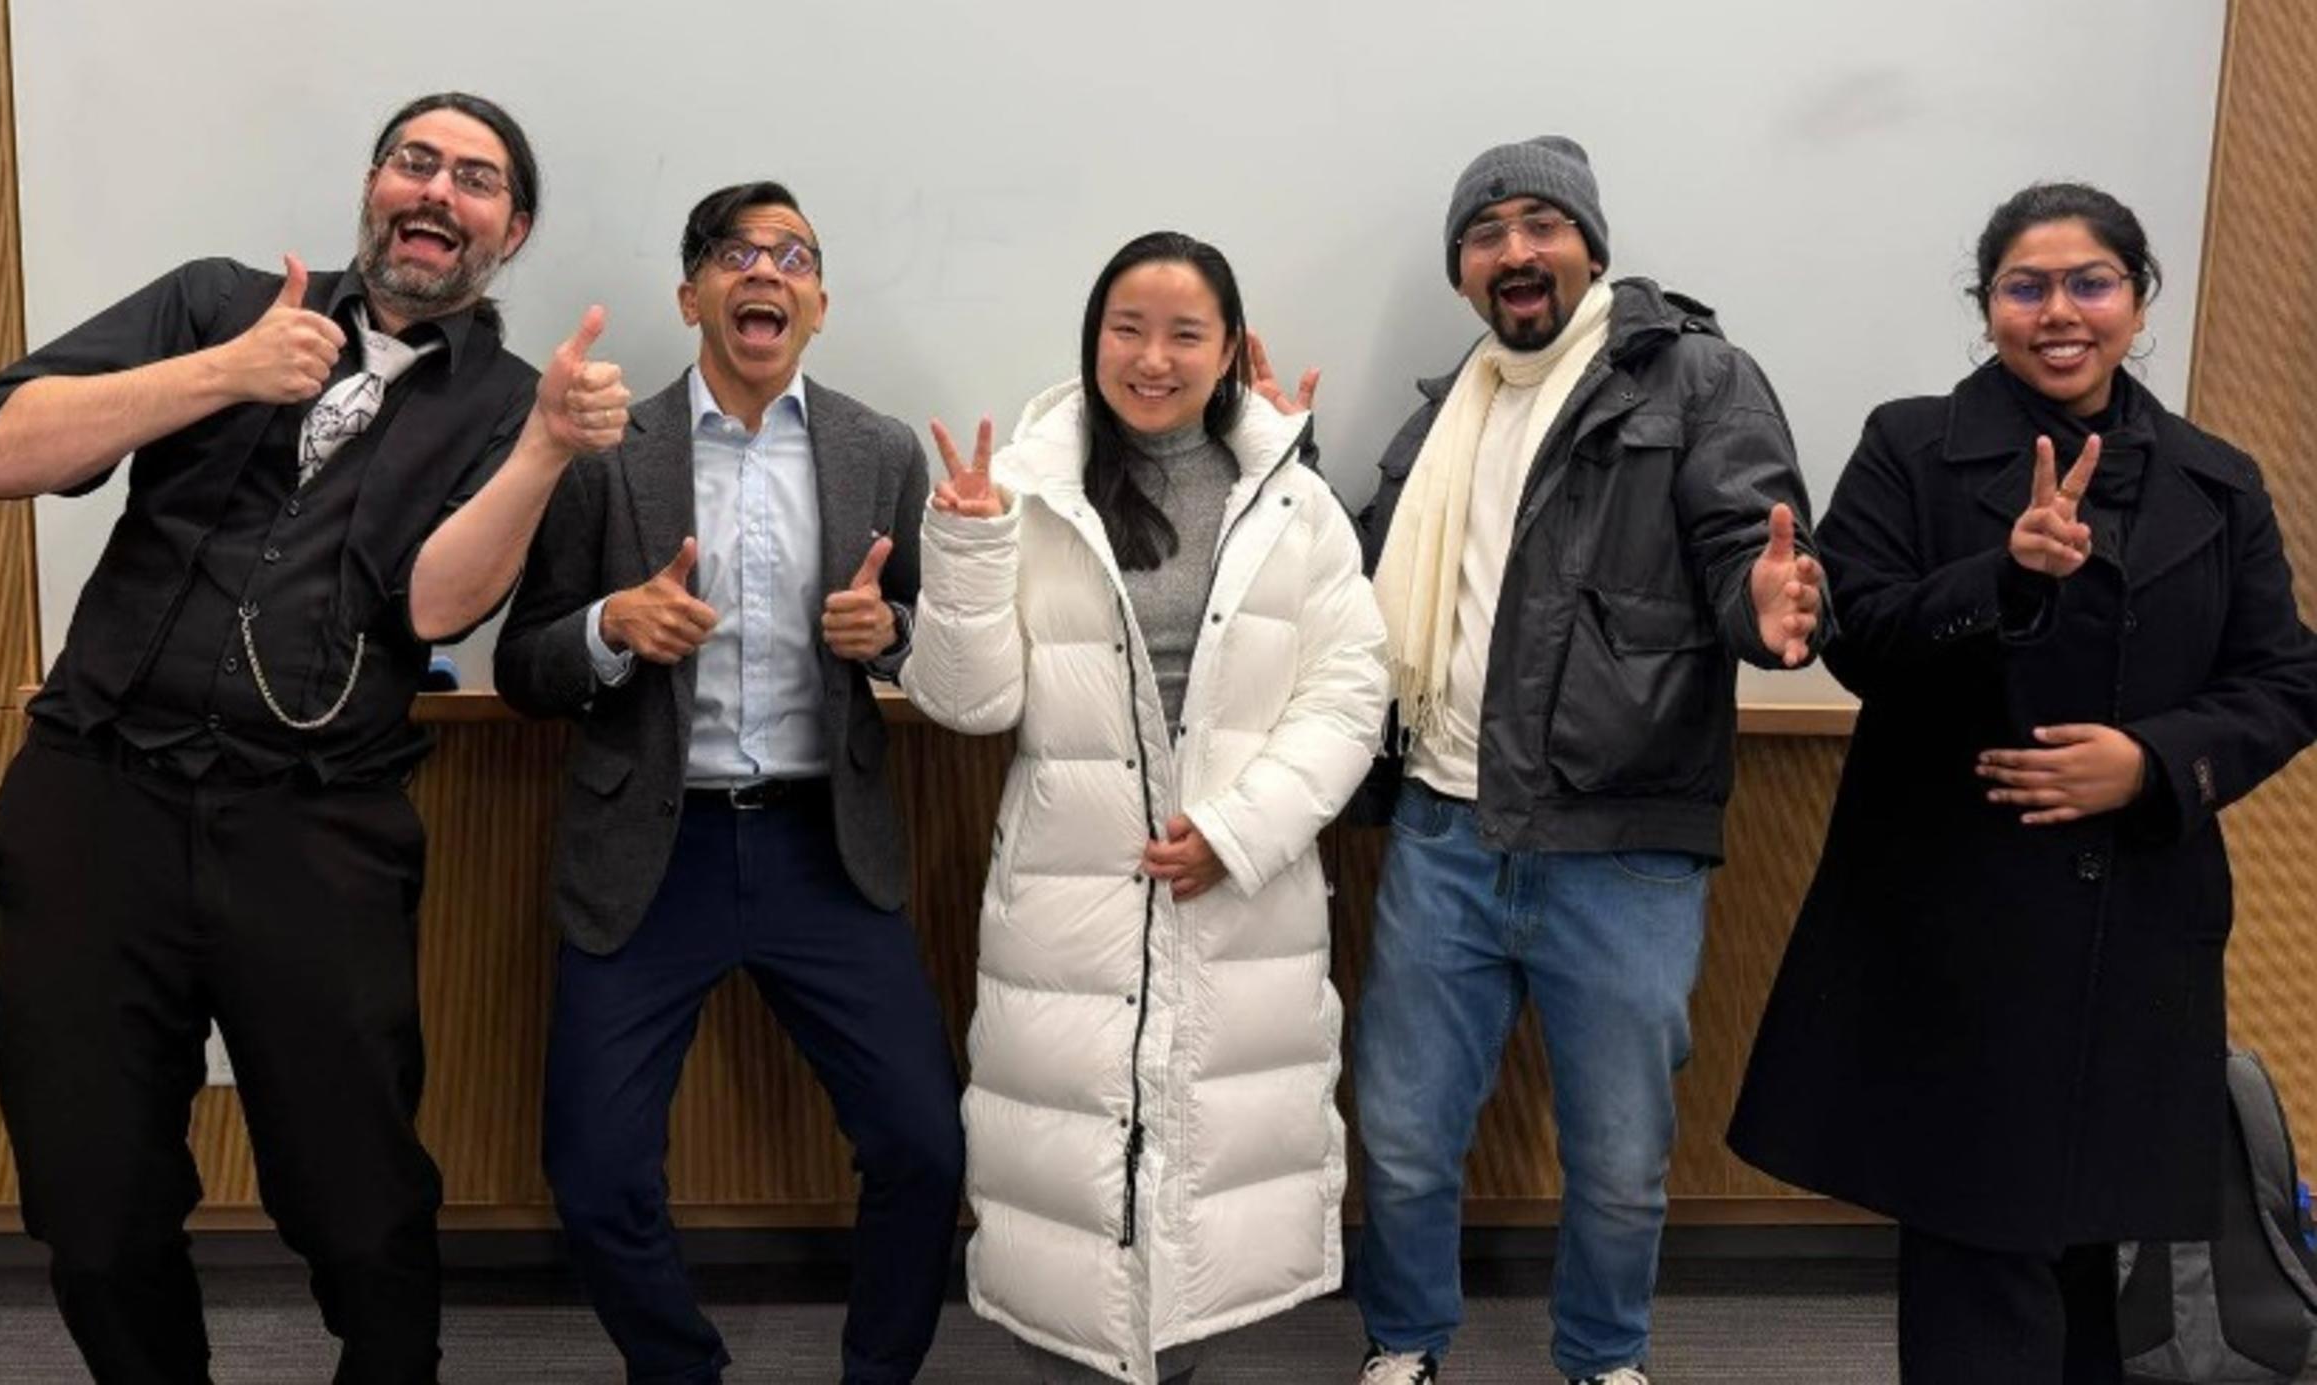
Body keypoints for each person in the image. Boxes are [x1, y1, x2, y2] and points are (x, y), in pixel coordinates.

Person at [0, 91, 625, 1383]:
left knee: (355, 1196)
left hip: (316, 829)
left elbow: (436, 605)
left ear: (513, 229)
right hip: (95, 803)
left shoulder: (505, 401)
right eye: (413, 162)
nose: (436, 192)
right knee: (90, 1209)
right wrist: (225, 373)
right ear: (373, 186)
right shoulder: (219, 302)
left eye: (474, 179)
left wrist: (543, 448)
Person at [1727, 181, 2317, 1382]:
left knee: (2090, 1253)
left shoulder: (2219, 479)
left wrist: (2151, 762)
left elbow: (2285, 680)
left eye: (2090, 282)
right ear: (1987, 305)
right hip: (1955, 920)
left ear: (2138, 300)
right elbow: (1864, 636)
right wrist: (2006, 575)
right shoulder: (1911, 445)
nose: (2060, 310)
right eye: (2025, 285)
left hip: (2136, 923)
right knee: (1978, 1253)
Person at [1348, 136, 1828, 1385]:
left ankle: (1603, 1357)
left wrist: (1768, 601)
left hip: (1622, 846)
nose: (1516, 250)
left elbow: (1745, 544)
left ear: (1591, 246)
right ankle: (1404, 1341)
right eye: (1487, 230)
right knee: (1402, 1136)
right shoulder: (1437, 421)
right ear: (1464, 270)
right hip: (1445, 831)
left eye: (1540, 222)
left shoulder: (1699, 379)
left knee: (1618, 1156)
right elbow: (1359, 584)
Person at [494, 181, 961, 1385]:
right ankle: (681, 1369)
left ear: (819, 300)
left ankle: (880, 1370)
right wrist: (610, 622)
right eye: (737, 253)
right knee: (595, 1170)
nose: (767, 270)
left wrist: (892, 636)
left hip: (826, 846)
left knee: (923, 1146)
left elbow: (931, 639)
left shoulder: (879, 449)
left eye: (793, 254)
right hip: (655, 852)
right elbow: (525, 659)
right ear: (692, 291)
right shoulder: (607, 459)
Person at [902, 230, 1388, 1383]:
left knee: (1207, 1202)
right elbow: (971, 705)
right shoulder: (1020, 490)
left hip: (1240, 892)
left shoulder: (1296, 502)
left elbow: (1352, 685)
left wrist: (1239, 830)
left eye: (1185, 333)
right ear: (1092, 337)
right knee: (1068, 1194)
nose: (1153, 356)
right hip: (1072, 897)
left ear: (1230, 352)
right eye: (1128, 327)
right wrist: (966, 551)